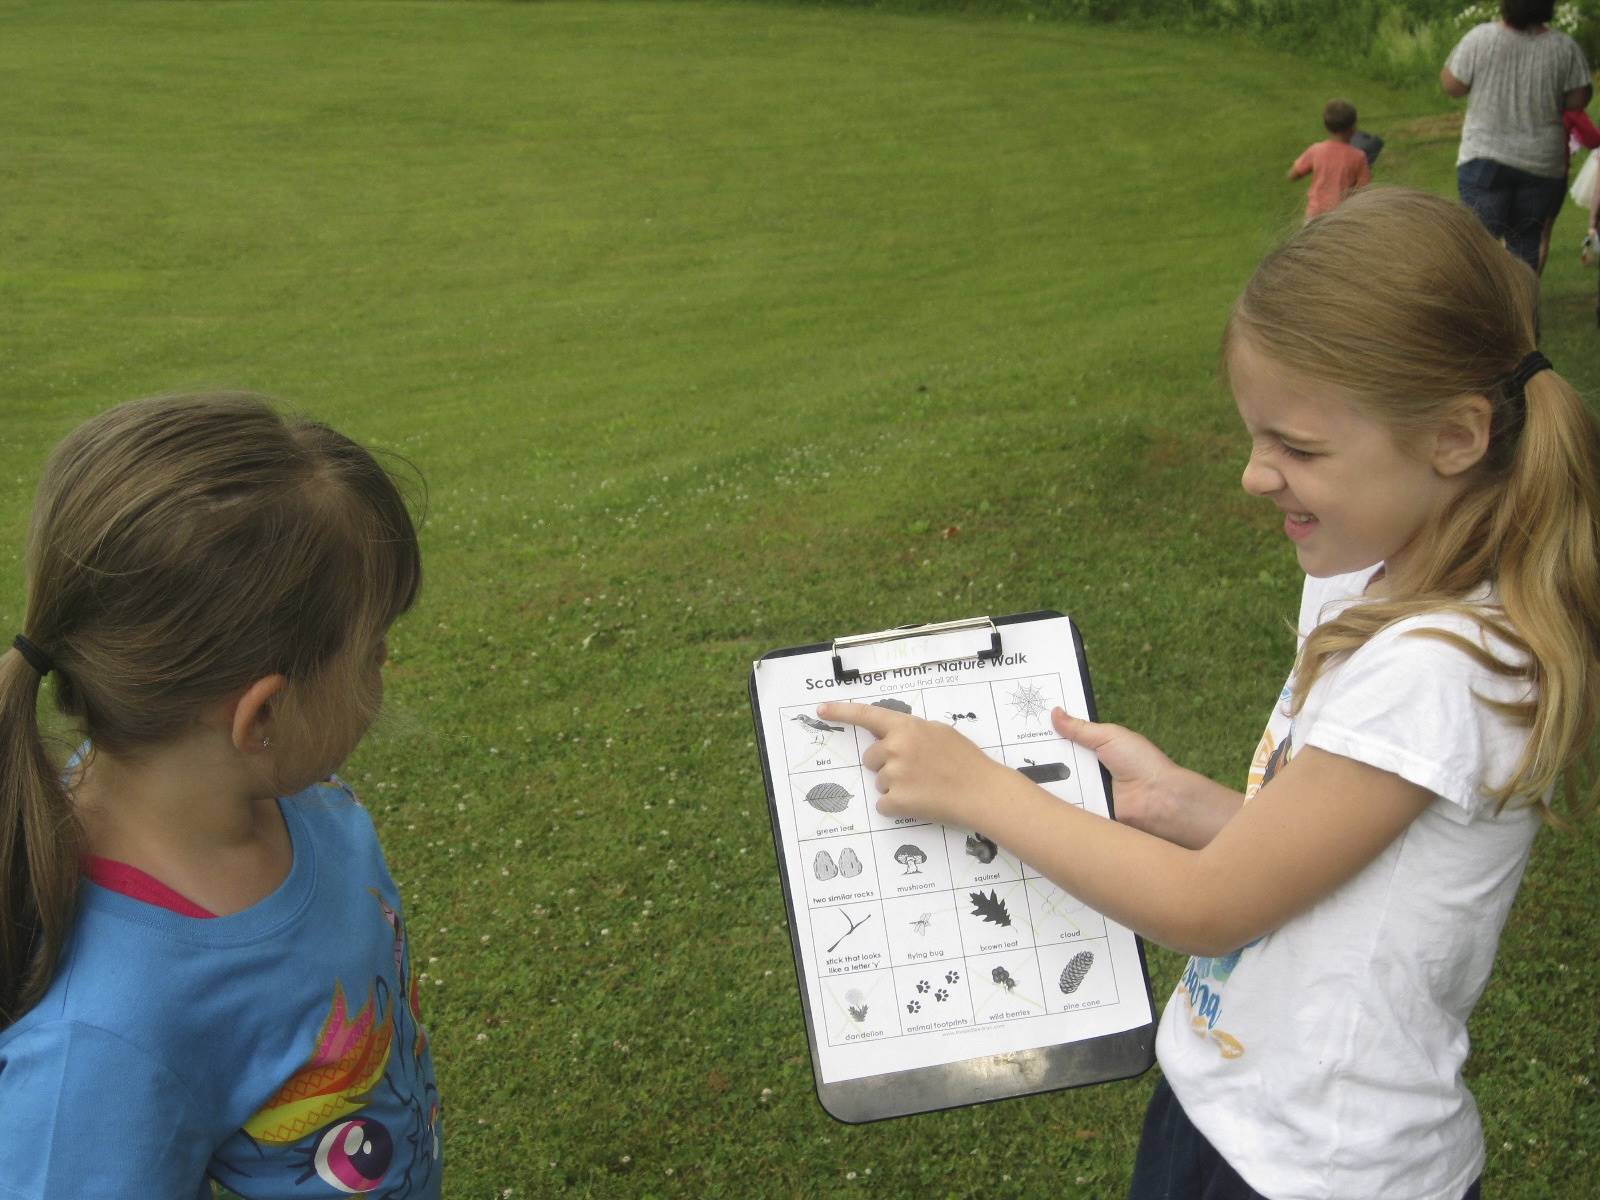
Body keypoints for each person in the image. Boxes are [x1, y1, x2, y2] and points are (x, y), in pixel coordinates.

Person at [820, 188, 1600, 1200]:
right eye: (1254, 436)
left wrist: (975, 790)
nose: (1253, 476)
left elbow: (1206, 909)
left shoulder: (1444, 665)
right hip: (1231, 1107)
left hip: (1322, 1169)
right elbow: (1343, 865)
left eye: (1299, 450)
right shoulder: (1368, 580)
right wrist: (1192, 807)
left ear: (1454, 438)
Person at [0, 394, 440, 1198]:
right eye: (374, 653)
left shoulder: (300, 800)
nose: (385, 675)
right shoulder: (102, 1040)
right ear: (263, 716)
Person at [1442, 0, 1592, 274]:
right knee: (1526, 245)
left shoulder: (1481, 38)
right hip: (1541, 163)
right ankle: (1522, 312)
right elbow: (1578, 99)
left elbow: (1452, 85)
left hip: (1484, 155)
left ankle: (1482, 312)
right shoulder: (1564, 47)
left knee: (1479, 245)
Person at [1287, 98, 1371, 220]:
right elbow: (1364, 189)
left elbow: (1293, 175)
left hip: (1315, 215)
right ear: (1353, 127)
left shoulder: (1316, 150)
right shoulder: (1358, 156)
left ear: (1326, 126)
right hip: (1342, 216)